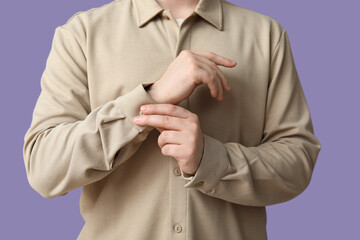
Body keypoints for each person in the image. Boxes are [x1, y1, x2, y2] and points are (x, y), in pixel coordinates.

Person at [23, 0, 322, 239]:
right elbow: (44, 168)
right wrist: (150, 99)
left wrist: (211, 159)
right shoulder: (82, 34)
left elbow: (298, 160)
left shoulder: (267, 36)